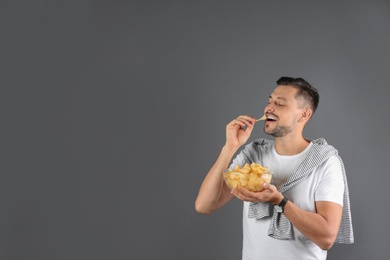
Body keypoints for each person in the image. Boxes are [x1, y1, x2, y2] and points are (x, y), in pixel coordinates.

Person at [195, 77, 354, 260]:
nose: (269, 108)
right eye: (269, 101)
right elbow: (204, 205)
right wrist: (230, 147)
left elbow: (327, 238)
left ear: (304, 115)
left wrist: (280, 201)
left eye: (280, 104)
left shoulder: (325, 162)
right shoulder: (254, 156)